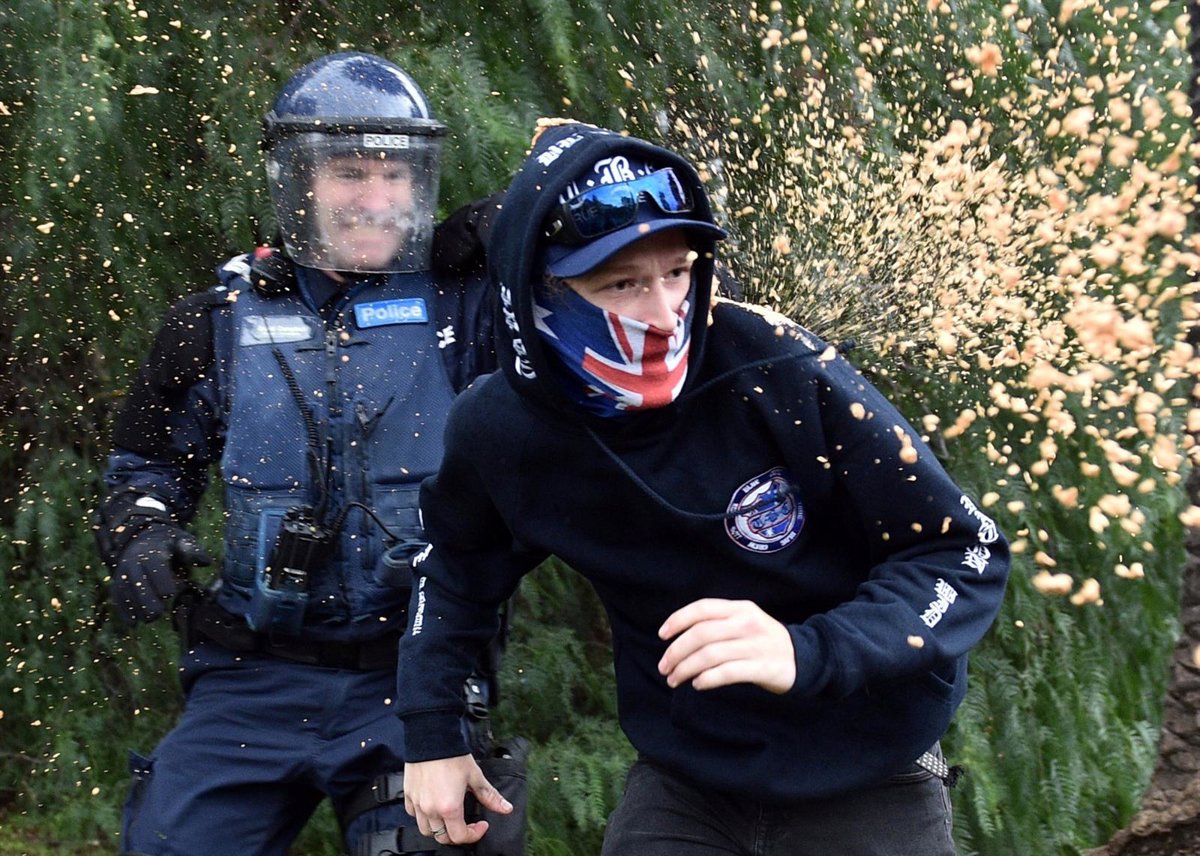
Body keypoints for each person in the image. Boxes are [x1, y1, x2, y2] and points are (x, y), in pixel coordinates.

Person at [393, 121, 1011, 855]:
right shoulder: (503, 429)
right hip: (689, 780)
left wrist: (810, 650)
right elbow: (456, 569)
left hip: (871, 765)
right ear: (536, 290)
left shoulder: (779, 366)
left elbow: (961, 551)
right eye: (621, 284)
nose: (663, 315)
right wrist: (432, 733)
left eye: (678, 273)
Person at [93, 52, 497, 856]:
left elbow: (621, 285)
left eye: (395, 174)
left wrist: (522, 226)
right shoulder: (213, 322)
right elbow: (144, 472)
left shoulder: (470, 308)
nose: (376, 200)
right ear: (299, 180)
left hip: (414, 676)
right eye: (350, 173)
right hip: (249, 677)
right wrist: (140, 533)